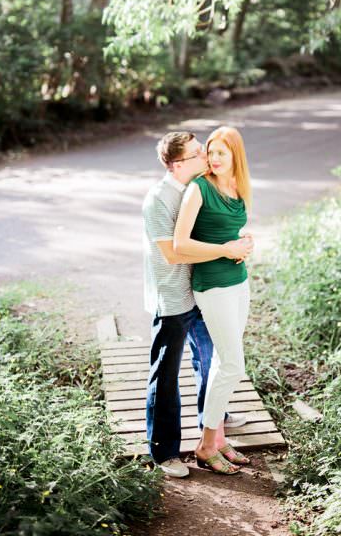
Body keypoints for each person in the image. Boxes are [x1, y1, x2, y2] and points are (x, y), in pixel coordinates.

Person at [142, 131, 252, 478]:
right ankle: (165, 452)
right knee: (166, 374)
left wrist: (236, 241)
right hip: (172, 296)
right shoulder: (159, 199)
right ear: (178, 164)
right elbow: (173, 252)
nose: (206, 157)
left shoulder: (200, 185)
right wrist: (225, 250)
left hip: (200, 291)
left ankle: (214, 421)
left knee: (210, 360)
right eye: (197, 154)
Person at [173, 126, 253, 475]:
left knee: (223, 362)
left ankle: (219, 440)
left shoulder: (237, 187)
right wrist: (225, 250)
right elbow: (179, 245)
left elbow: (231, 231)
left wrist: (245, 242)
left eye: (222, 152)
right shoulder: (199, 188)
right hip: (213, 286)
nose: (214, 158)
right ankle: (205, 445)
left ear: (236, 156)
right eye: (211, 152)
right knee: (234, 365)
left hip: (239, 282)